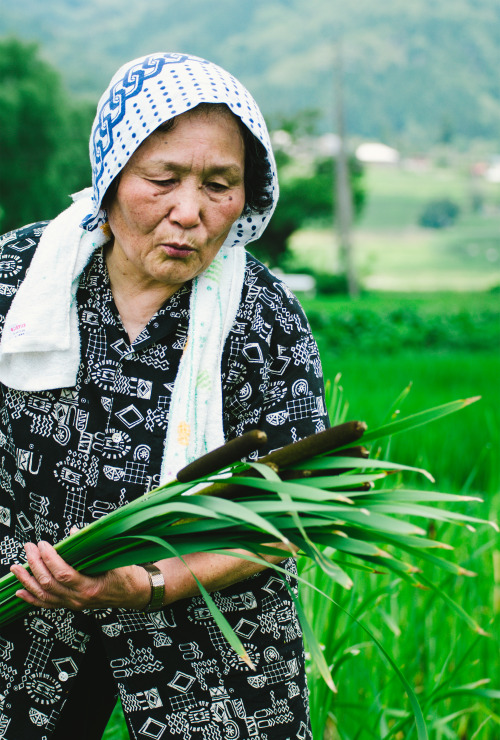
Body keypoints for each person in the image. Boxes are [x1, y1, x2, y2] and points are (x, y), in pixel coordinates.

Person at [0, 52, 328, 739]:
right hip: (23, 623)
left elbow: (292, 509)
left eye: (220, 184)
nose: (191, 212)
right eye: (162, 179)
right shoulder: (15, 280)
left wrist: (148, 582)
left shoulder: (263, 319)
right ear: (112, 175)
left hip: (214, 645)